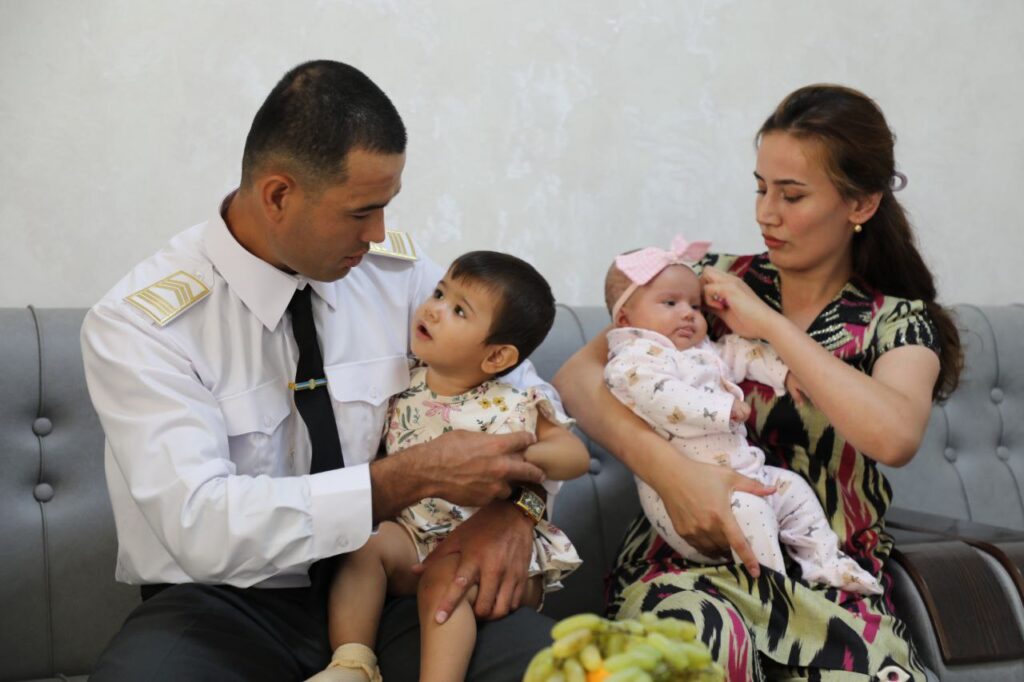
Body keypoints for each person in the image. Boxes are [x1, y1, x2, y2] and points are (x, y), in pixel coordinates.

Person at [81, 60, 564, 682]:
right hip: (225, 604)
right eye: (361, 212)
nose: (379, 232)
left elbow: (525, 401)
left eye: (386, 207)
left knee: (550, 668)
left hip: (399, 580)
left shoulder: (397, 277)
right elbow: (200, 524)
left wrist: (517, 510)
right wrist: (406, 477)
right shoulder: (143, 323)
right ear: (279, 196)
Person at [555, 84, 962, 681]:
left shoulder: (897, 322)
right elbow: (577, 377)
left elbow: (894, 437)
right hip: (692, 563)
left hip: (824, 573)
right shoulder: (704, 283)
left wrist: (769, 325)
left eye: (791, 195)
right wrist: (673, 475)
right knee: (699, 652)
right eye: (760, 187)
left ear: (861, 204)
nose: (765, 213)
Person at [310, 250, 588, 682]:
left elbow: (575, 456)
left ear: (496, 358)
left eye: (459, 310)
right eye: (439, 293)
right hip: (412, 536)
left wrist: (515, 455)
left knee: (448, 577)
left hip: (486, 554)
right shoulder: (405, 381)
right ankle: (352, 662)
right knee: (364, 544)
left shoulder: (516, 402)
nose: (433, 309)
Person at [604, 236, 881, 596]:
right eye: (670, 303)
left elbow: (743, 353)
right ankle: (774, 590)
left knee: (794, 489)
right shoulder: (633, 360)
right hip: (689, 499)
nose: (688, 313)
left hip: (747, 474)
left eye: (695, 306)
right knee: (752, 514)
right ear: (625, 318)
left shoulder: (703, 351)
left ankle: (825, 562)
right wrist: (721, 409)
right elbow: (663, 399)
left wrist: (785, 373)